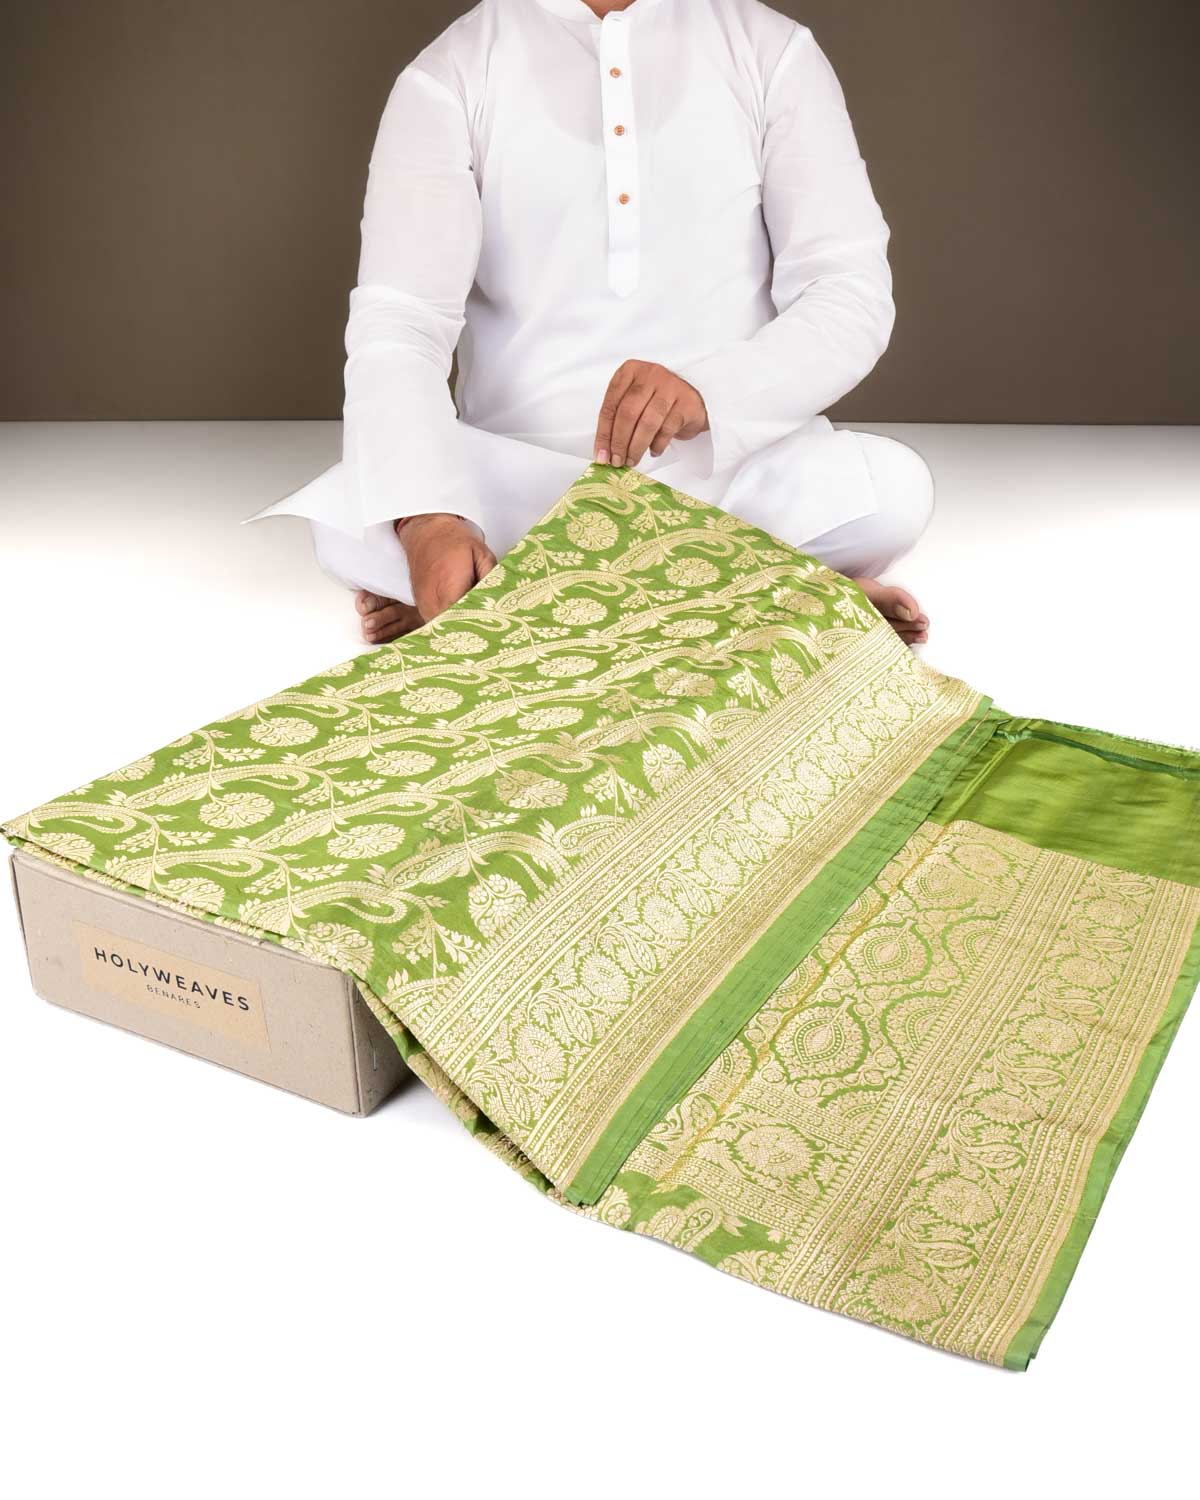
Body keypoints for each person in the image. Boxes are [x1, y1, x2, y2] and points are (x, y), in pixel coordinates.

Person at [257, 0, 932, 647]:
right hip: (523, 483)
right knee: (349, 518)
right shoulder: (448, 76)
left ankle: (509, 600)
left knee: (893, 490)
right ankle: (780, 592)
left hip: (726, 477)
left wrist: (710, 391)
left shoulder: (773, 52)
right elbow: (401, 321)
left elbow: (848, 292)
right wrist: (431, 521)